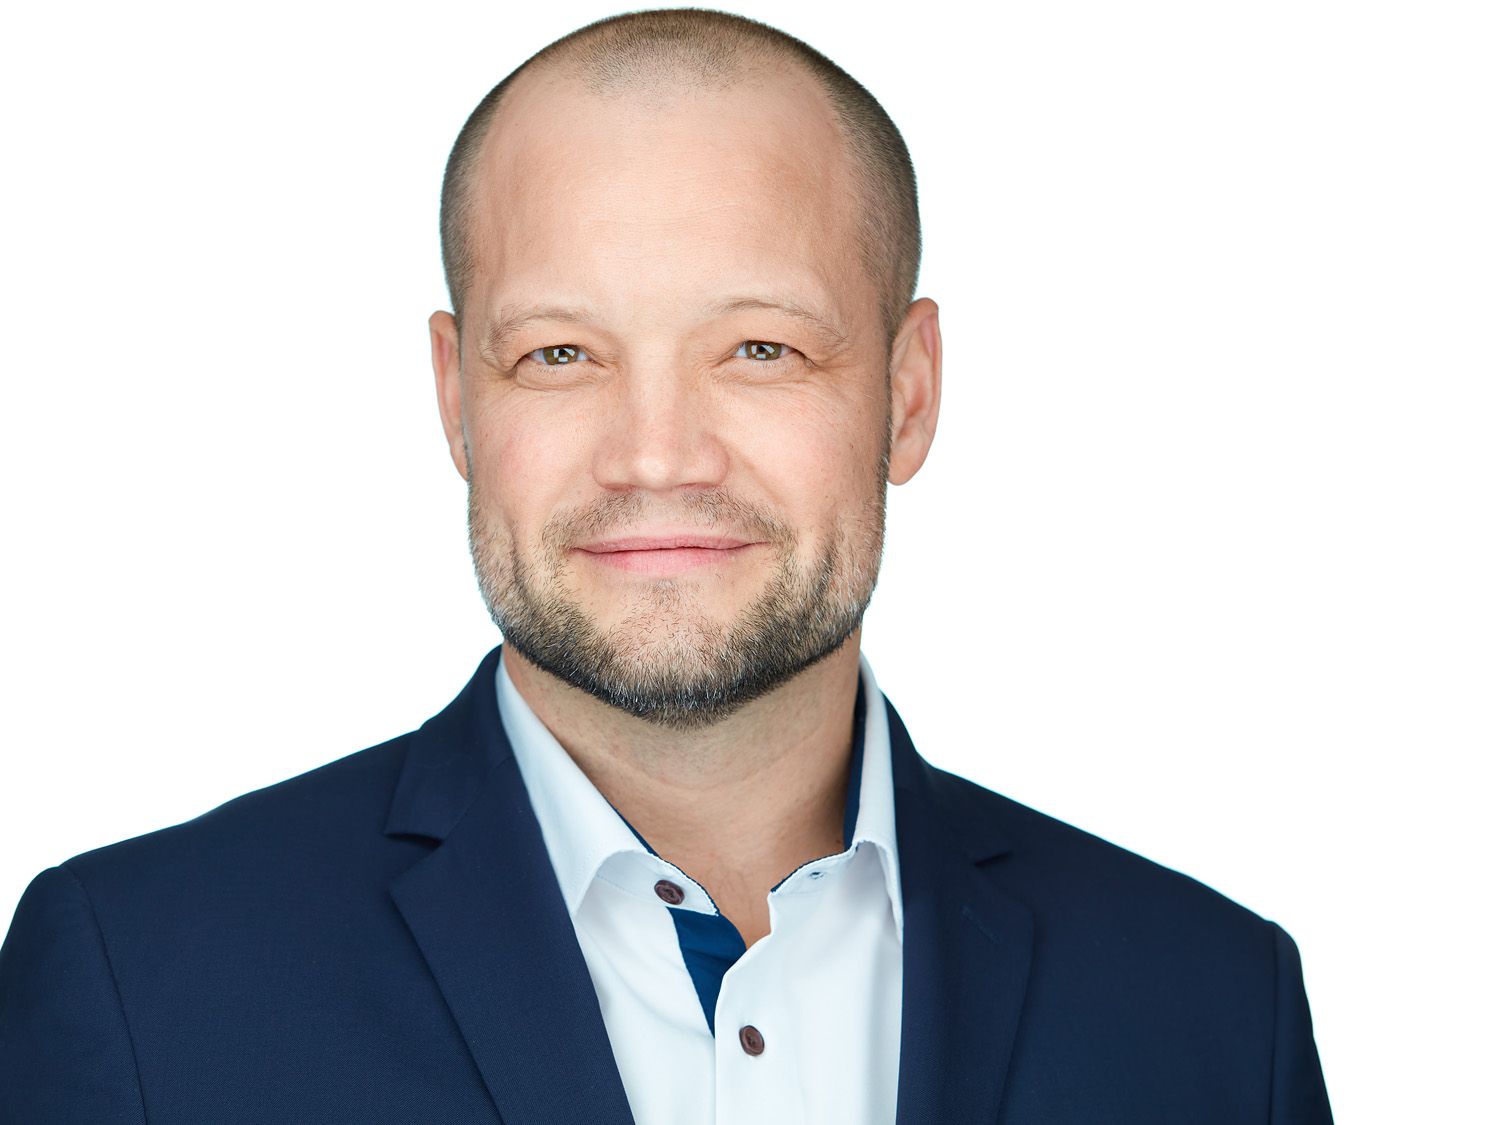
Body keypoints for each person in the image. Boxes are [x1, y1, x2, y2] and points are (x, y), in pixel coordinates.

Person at [0, 8, 1333, 1123]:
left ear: (909, 392)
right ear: (458, 403)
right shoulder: (136, 985)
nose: (654, 456)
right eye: (559, 355)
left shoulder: (1214, 1009)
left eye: (760, 348)